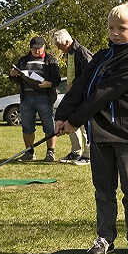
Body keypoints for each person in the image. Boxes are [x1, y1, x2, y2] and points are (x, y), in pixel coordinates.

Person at [55, 3, 128, 254]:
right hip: (99, 134)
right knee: (103, 190)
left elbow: (102, 94)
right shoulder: (101, 57)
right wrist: (62, 115)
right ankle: (105, 238)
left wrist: (75, 121)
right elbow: (80, 87)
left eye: (121, 28)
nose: (115, 33)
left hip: (127, 135)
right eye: (111, 28)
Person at [9, 36, 61, 161]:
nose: (37, 51)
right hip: (26, 98)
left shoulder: (50, 60)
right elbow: (14, 78)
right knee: (27, 127)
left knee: (49, 126)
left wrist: (49, 83)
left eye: (39, 48)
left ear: (44, 47)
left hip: (44, 97)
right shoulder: (22, 61)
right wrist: (12, 74)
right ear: (30, 48)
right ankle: (29, 152)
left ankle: (50, 152)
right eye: (34, 49)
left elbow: (57, 79)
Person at [52, 29, 93, 165]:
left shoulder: (81, 52)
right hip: (73, 94)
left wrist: (74, 84)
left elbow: (89, 73)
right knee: (69, 120)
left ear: (67, 42)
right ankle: (76, 152)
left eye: (59, 46)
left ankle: (88, 155)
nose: (58, 49)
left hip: (82, 94)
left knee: (82, 123)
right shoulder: (69, 53)